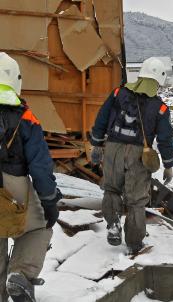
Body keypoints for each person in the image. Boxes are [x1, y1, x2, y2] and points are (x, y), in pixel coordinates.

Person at [90, 57, 173, 255]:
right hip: (139, 154)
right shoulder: (160, 108)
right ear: (159, 80)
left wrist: (95, 144)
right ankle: (134, 243)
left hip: (113, 148)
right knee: (136, 199)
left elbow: (101, 118)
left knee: (111, 189)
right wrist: (169, 165)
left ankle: (112, 226)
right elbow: (165, 139)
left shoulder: (118, 93)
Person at [0, 53, 62, 302]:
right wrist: (49, 201)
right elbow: (40, 166)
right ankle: (20, 275)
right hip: (13, 183)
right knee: (38, 229)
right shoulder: (25, 118)